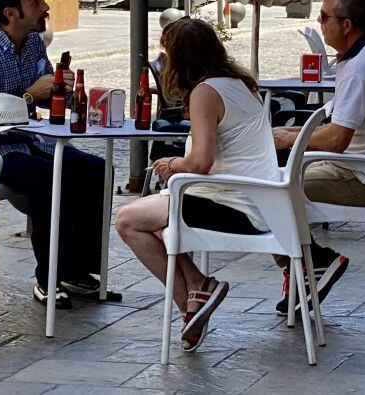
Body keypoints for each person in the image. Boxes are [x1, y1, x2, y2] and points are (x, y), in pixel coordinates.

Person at [0, 0, 114, 309]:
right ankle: (47, 278)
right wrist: (27, 95)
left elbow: (48, 98)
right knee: (47, 178)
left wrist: (65, 90)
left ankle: (75, 271)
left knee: (96, 169)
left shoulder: (35, 42)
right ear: (11, 13)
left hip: (34, 142)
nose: (45, 6)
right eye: (35, 1)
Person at [116, 18, 278, 352]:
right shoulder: (242, 84)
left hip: (233, 204)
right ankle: (196, 289)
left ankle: (192, 300)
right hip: (258, 199)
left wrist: (172, 164)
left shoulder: (206, 92)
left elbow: (201, 161)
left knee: (128, 221)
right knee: (157, 222)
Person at [271, 0, 365, 315]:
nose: (319, 22)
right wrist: (286, 132)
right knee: (268, 183)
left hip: (361, 179)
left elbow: (336, 139)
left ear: (346, 25)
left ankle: (314, 263)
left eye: (323, 16)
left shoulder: (361, 68)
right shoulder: (364, 56)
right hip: (359, 170)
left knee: (265, 196)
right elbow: (334, 128)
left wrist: (286, 138)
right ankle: (308, 266)